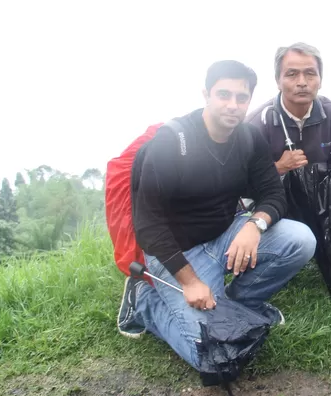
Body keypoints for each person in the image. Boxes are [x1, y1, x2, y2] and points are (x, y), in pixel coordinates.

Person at [115, 60, 316, 372]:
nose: (233, 105)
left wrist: (254, 225)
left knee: (300, 239)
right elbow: (148, 227)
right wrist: (190, 281)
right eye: (224, 95)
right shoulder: (170, 144)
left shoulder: (248, 138)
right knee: (213, 355)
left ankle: (240, 305)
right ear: (206, 94)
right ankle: (145, 301)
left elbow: (272, 194)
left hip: (226, 234)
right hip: (177, 253)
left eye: (242, 97)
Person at [246, 42, 331, 262]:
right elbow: (242, 181)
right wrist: (277, 168)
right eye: (292, 74)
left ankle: (327, 249)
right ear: (278, 81)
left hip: (318, 193)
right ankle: (281, 251)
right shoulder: (260, 120)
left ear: (320, 80)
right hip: (276, 198)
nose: (302, 82)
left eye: (310, 74)